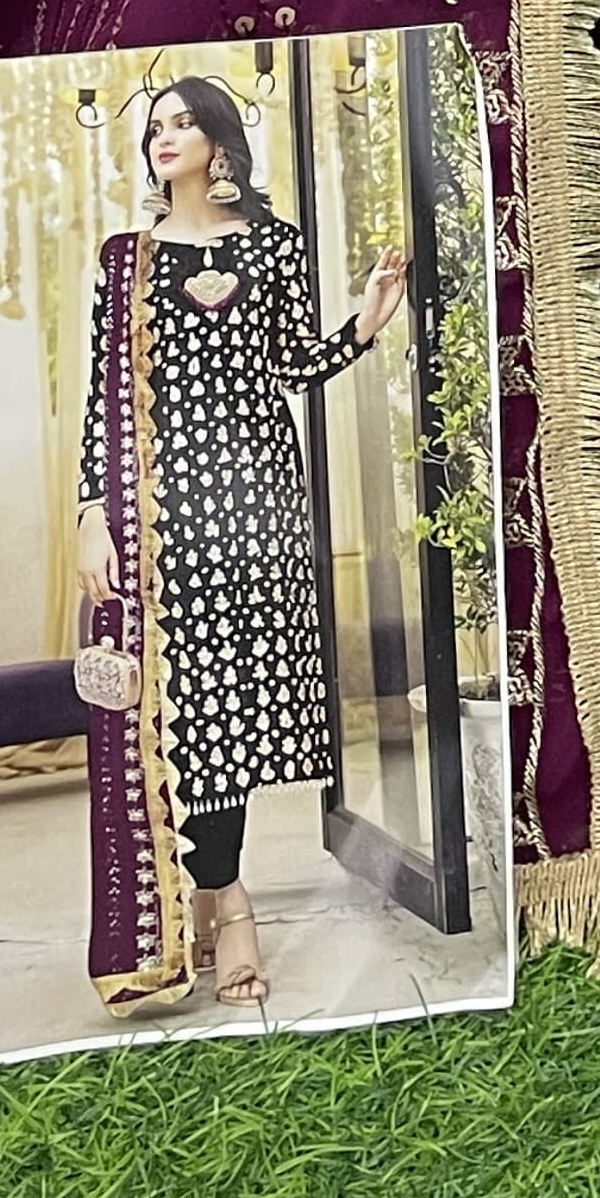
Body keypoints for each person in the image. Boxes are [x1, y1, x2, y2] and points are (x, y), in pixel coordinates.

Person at [76, 79, 404, 1010]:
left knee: (233, 711)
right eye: (155, 126)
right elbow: (102, 395)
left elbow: (291, 362)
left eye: (182, 122)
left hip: (257, 502)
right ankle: (229, 902)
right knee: (184, 709)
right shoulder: (126, 260)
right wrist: (92, 514)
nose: (163, 136)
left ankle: (219, 892)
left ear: (219, 140)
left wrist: (366, 321)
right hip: (162, 509)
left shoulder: (274, 244)